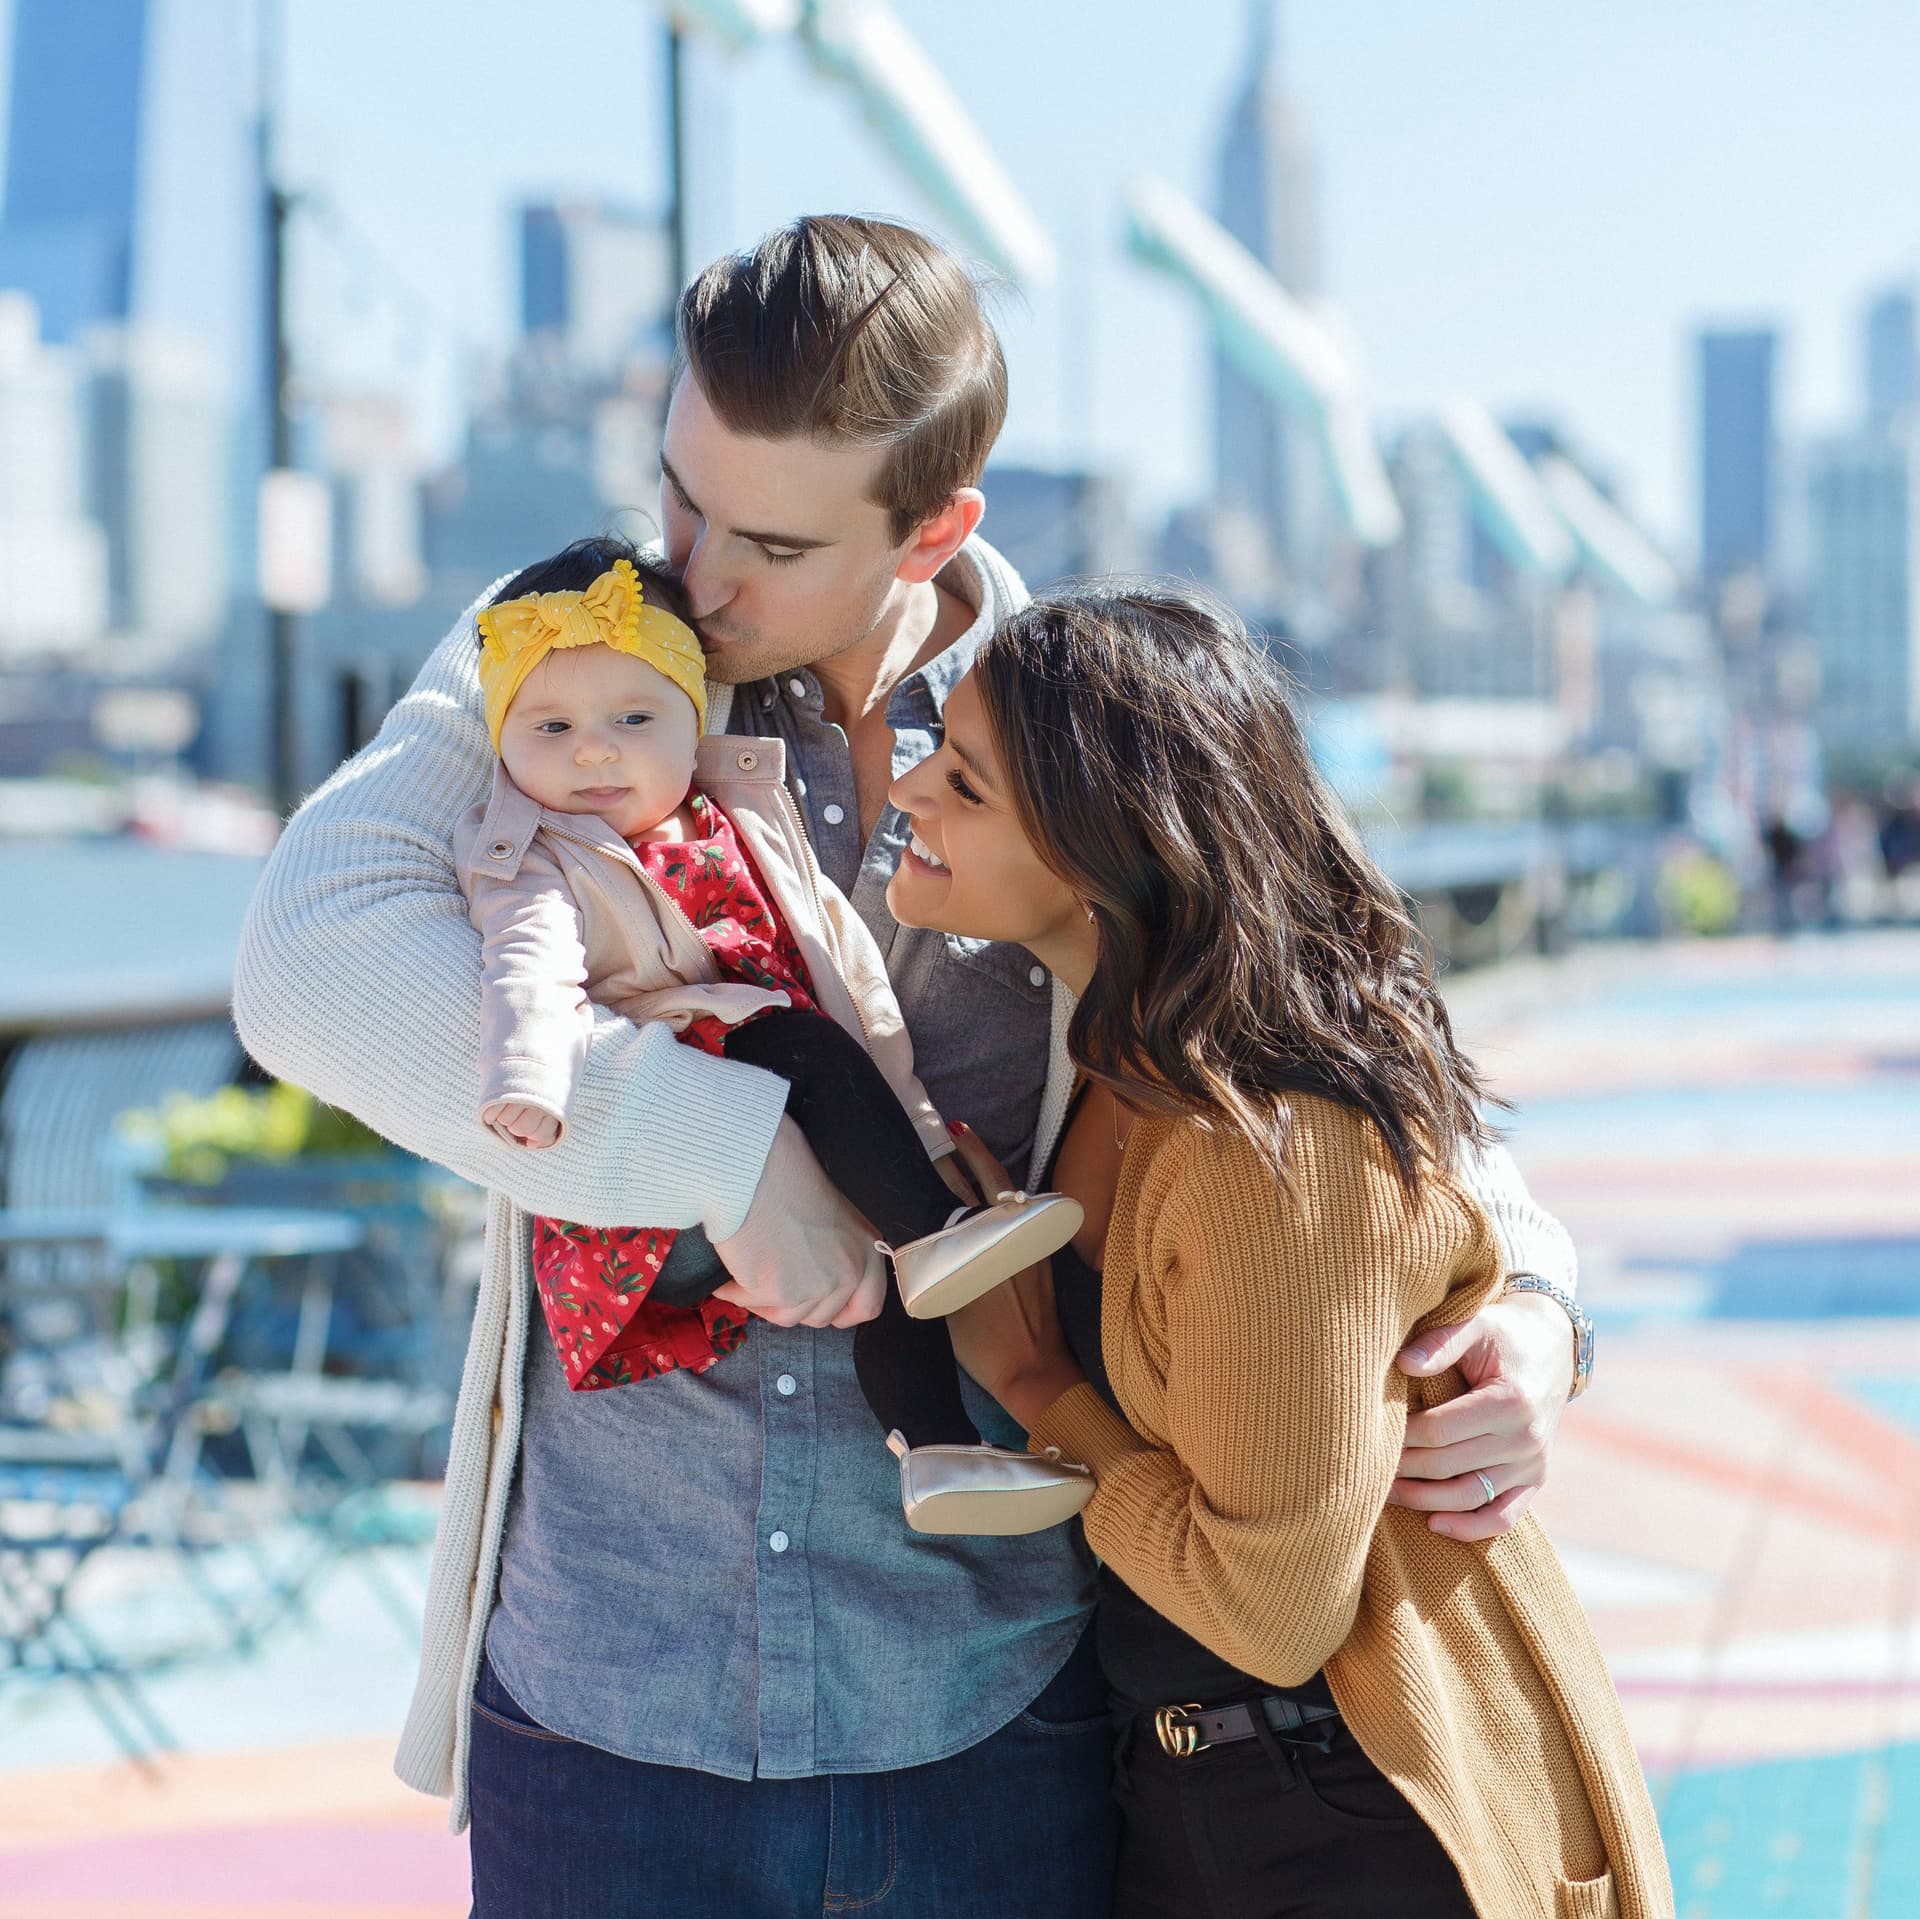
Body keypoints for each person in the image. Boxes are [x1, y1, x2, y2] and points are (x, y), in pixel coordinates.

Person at [233, 216, 1590, 1918]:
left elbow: (1339, 1034)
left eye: (771, 540)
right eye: (679, 495)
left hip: (988, 1724)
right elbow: (306, 958)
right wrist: (733, 1147)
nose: (696, 573)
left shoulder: (1084, 710)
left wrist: (1531, 1303)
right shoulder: (580, 636)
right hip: (603, 1702)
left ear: (936, 526)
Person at [891, 582, 1665, 1919]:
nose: (908, 788)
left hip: (1360, 1808)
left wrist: (1036, 1387)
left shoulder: (1269, 1145)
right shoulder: (1115, 1059)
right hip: (1210, 1791)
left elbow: (1273, 1604)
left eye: (962, 779)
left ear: (1096, 846)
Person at [454, 537, 1088, 1533]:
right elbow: (527, 968)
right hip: (640, 1184)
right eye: (551, 726)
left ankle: (934, 1452)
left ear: (690, 717)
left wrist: (914, 1123)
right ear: (501, 738)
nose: (593, 750)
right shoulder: (535, 852)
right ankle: (936, 1233)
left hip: (782, 1093)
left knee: (877, 1263)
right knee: (797, 1045)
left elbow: (846, 966)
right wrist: (531, 1080)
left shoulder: (737, 810)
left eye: (633, 717)